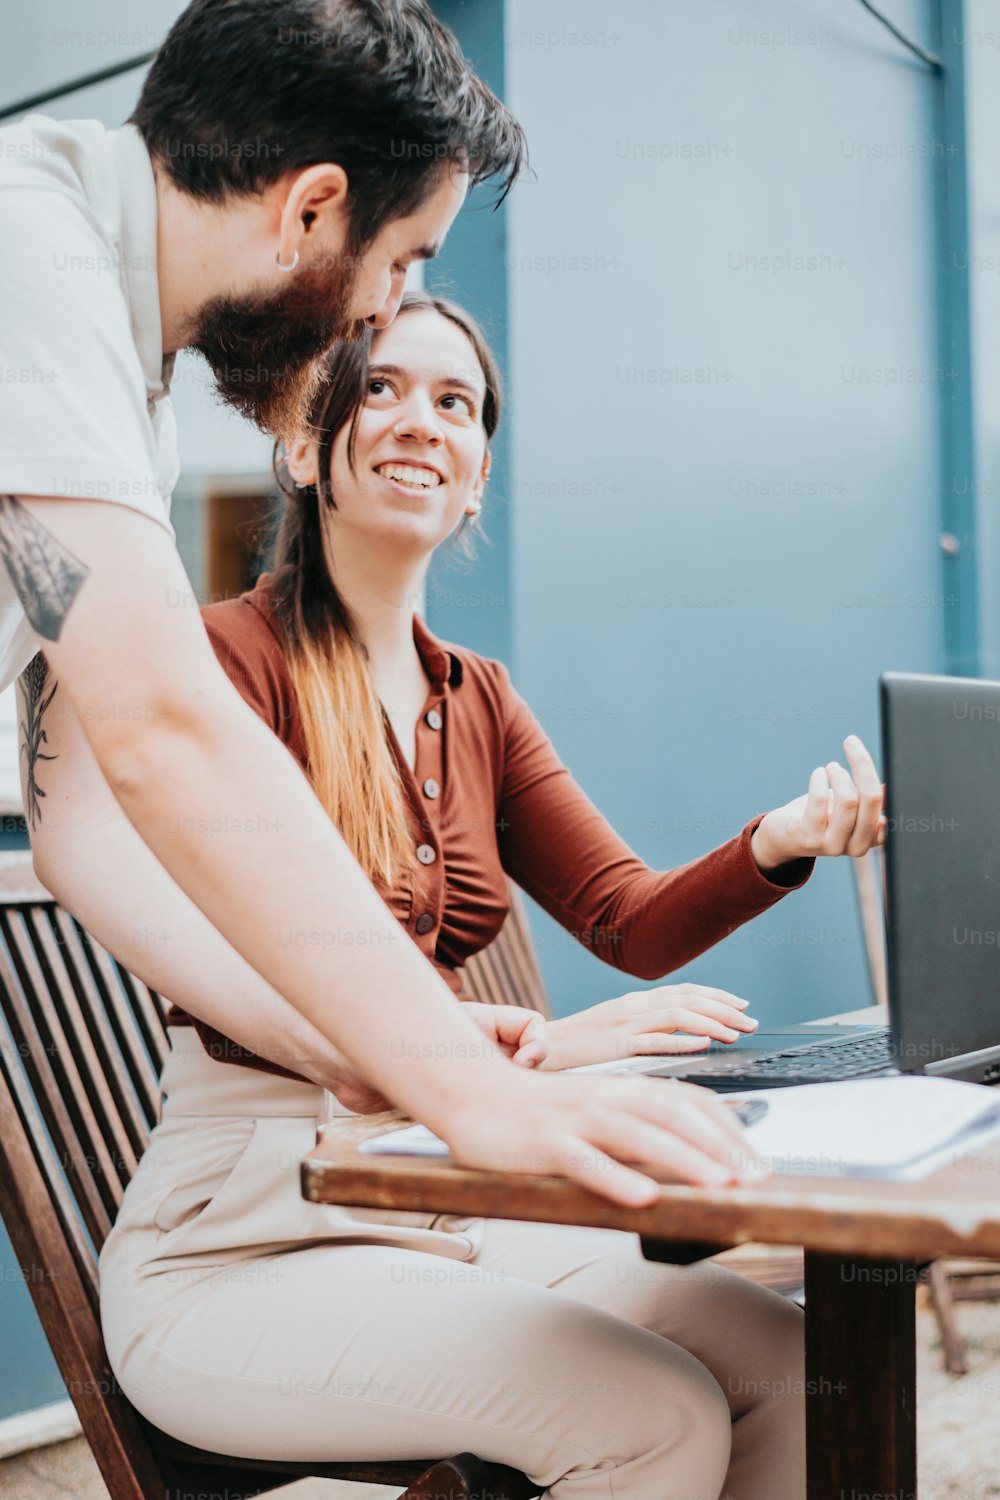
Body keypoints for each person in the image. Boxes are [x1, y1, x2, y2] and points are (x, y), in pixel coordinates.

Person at [86, 293, 884, 1500]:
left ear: (476, 477)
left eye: (453, 402)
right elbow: (243, 959)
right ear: (305, 446)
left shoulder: (479, 698)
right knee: (652, 1412)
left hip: (438, 1213)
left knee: (784, 1349)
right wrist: (543, 1053)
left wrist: (783, 840)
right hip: (243, 1236)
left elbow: (627, 918)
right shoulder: (223, 666)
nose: (419, 422)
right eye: (381, 389)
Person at [1, 0, 771, 1207]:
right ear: (311, 208)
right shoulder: (26, 254)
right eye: (400, 259)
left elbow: (83, 833)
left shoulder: (116, 376)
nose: (381, 307)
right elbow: (164, 728)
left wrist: (365, 1054)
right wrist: (470, 1095)